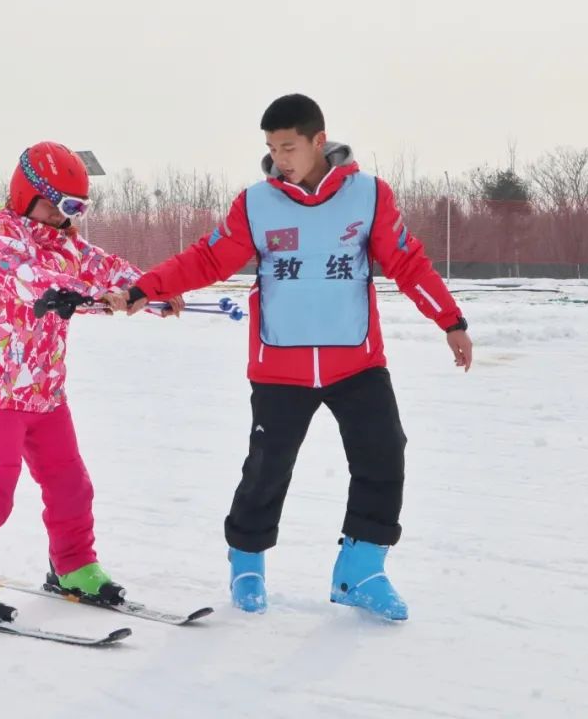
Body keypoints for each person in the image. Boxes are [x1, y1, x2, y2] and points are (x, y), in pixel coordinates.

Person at [105, 94, 473, 621]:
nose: (280, 157)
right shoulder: (256, 203)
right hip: (280, 365)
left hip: (357, 361)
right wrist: (146, 287)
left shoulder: (368, 195)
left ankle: (362, 569)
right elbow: (209, 257)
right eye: (272, 148)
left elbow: (408, 264)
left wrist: (450, 321)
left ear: (318, 141)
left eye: (289, 146)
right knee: (267, 468)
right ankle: (247, 560)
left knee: (384, 453)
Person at [0, 141, 181, 619]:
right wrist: (93, 295)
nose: (63, 217)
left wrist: (149, 289)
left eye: (75, 207)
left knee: (71, 485)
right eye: (57, 204)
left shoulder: (63, 242)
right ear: (26, 193)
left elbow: (103, 267)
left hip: (44, 391)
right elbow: (31, 281)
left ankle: (74, 565)